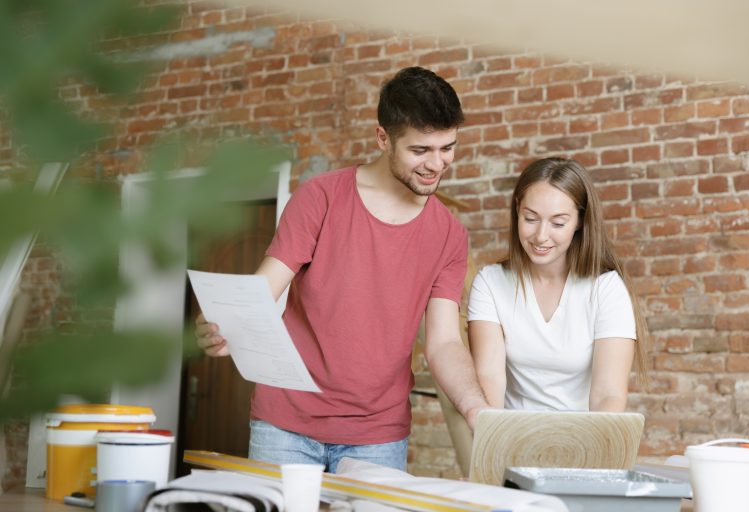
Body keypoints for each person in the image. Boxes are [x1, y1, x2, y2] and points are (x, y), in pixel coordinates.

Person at [195, 66, 490, 473]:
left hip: (378, 435)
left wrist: (476, 406)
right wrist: (221, 322)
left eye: (447, 148)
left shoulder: (449, 235)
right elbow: (265, 290)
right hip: (286, 424)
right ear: (382, 137)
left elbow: (443, 343)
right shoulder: (321, 197)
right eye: (420, 150)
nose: (436, 164)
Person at [468, 157, 649, 413]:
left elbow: (608, 395)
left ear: (580, 222)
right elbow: (489, 382)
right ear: (517, 210)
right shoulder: (491, 283)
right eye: (530, 219)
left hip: (582, 440)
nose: (541, 236)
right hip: (513, 439)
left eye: (558, 223)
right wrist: (493, 442)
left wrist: (591, 449)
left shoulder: (606, 288)